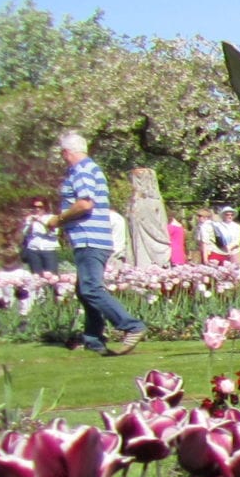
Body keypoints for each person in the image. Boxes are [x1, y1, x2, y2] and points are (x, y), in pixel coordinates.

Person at [45, 131, 147, 355]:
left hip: (89, 237)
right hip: (91, 237)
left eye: (63, 153)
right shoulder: (88, 169)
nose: (63, 158)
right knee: (84, 289)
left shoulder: (81, 170)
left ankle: (131, 325)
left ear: (67, 152)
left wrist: (58, 220)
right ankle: (93, 340)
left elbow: (85, 204)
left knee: (90, 288)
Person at [126, 167, 173, 270]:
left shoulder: (152, 200)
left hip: (153, 239)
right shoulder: (134, 202)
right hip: (139, 239)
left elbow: (161, 223)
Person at [17, 198, 60, 275]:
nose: (37, 209)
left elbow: (53, 233)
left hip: (48, 249)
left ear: (45, 207)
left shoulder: (52, 217)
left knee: (52, 275)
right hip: (33, 249)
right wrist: (30, 224)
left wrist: (41, 221)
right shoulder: (30, 218)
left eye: (40, 207)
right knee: (36, 276)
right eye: (35, 207)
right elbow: (24, 233)